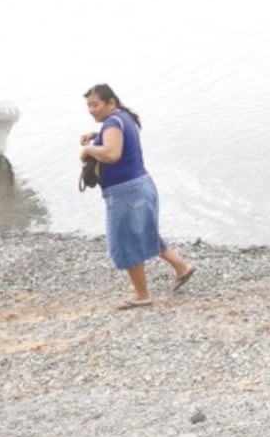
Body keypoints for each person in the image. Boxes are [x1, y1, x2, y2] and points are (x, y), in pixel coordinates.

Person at [79, 84, 195, 309]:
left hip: (126, 192)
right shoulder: (123, 118)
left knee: (125, 241)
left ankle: (141, 295)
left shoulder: (113, 122)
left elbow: (112, 154)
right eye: (88, 106)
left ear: (111, 102)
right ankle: (182, 268)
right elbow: (116, 140)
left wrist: (89, 150)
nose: (91, 110)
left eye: (96, 105)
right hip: (142, 184)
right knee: (145, 233)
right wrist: (96, 136)